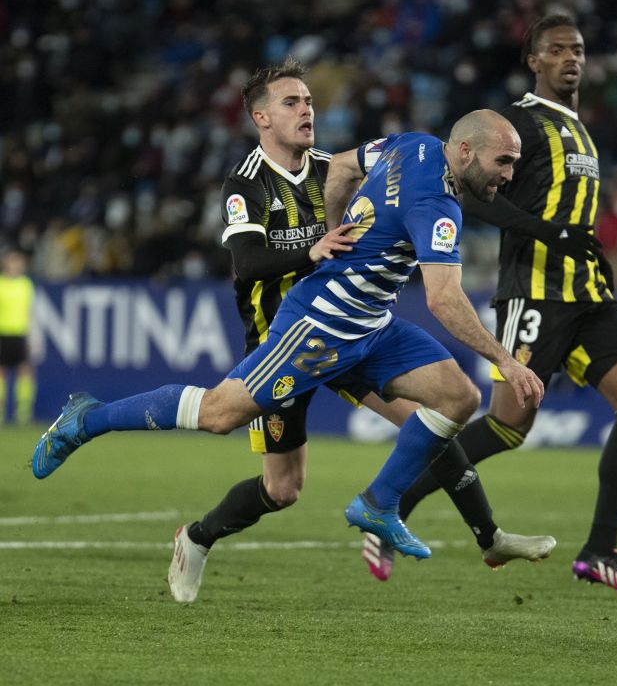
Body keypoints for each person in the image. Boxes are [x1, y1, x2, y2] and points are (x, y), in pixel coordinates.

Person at [30, 108, 549, 591]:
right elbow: (442, 298)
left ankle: (388, 506)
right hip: (318, 326)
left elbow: (344, 167)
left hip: (369, 327)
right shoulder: (436, 204)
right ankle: (88, 417)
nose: (508, 174)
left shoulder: (413, 144)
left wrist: (334, 231)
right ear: (463, 152)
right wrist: (504, 359)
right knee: (221, 418)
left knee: (456, 398)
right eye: (503, 161)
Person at [164, 59, 555, 602]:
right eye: (292, 103)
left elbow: (366, 178)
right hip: (287, 338)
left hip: (351, 330)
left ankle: (487, 535)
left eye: (309, 101)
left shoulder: (334, 166)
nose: (306, 110)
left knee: (437, 420)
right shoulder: (246, 183)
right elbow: (248, 263)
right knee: (282, 488)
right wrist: (314, 248)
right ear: (262, 117)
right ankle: (197, 537)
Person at [372, 15, 617, 597]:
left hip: (588, 293)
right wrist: (548, 235)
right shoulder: (520, 124)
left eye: (577, 48)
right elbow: (474, 195)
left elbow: (571, 221)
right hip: (534, 291)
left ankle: (601, 550)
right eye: (555, 50)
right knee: (508, 425)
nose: (569, 58)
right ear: (534, 61)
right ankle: (387, 507)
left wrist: (585, 252)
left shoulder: (580, 129)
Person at [0, 248, 36, 425]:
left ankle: (23, 412)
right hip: (3, 333)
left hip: (20, 333)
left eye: (19, 262)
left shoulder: (25, 284)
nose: (16, 265)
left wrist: (30, 336)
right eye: (13, 262)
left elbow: (28, 312)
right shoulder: (1, 284)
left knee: (25, 370)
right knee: (2, 371)